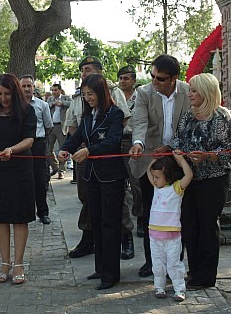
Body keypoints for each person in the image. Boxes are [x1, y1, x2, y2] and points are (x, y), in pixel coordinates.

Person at [58, 73, 128, 290]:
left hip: (111, 176)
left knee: (110, 224)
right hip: (92, 176)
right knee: (96, 222)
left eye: (91, 94)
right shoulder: (88, 116)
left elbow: (113, 141)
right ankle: (100, 268)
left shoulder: (115, 114)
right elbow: (77, 136)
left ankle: (111, 274)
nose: (88, 98)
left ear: (101, 92)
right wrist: (65, 149)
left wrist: (89, 151)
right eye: (85, 95)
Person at [170, 73, 231, 290]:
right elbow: (177, 139)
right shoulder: (188, 116)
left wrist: (208, 156)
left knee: (208, 227)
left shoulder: (221, 116)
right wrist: (178, 152)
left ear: (207, 92)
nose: (190, 94)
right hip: (190, 178)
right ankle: (194, 271)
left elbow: (229, 149)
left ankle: (206, 276)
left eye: (194, 91)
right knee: (190, 225)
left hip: (214, 180)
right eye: (190, 90)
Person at [128, 54, 191, 278]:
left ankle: (177, 263)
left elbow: (187, 127)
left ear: (174, 78)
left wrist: (172, 147)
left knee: (179, 215)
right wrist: (138, 143)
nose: (155, 81)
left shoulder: (187, 92)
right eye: (153, 76)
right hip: (150, 163)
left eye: (161, 79)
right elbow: (140, 122)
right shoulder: (144, 93)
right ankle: (151, 263)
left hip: (178, 162)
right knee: (150, 213)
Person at [64, 56, 132, 259]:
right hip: (86, 161)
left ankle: (124, 239)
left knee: (114, 209)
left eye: (89, 70)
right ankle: (92, 245)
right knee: (90, 202)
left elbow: (116, 133)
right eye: (82, 70)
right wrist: (67, 148)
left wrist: (91, 148)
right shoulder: (83, 106)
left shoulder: (114, 102)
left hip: (108, 163)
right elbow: (75, 131)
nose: (84, 73)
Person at [0, 73, 37, 285]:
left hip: (20, 168)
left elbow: (30, 139)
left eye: (8, 94)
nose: (3, 98)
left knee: (19, 216)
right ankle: (5, 261)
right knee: (0, 215)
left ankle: (19, 262)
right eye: (0, 94)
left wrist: (11, 150)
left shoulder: (27, 111)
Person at [147, 154, 193, 302]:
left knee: (174, 264)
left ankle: (179, 289)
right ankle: (159, 287)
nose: (154, 180)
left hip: (172, 237)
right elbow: (148, 170)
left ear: (167, 176)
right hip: (154, 235)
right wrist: (155, 159)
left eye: (157, 177)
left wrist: (181, 161)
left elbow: (189, 175)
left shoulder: (176, 188)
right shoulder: (156, 188)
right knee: (157, 263)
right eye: (154, 177)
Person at [118, 65, 144, 258]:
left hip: (135, 142)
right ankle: (126, 227)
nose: (123, 81)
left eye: (127, 78)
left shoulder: (140, 97)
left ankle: (141, 217)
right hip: (119, 142)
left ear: (134, 80)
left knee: (137, 184)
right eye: (121, 78)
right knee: (121, 186)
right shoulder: (116, 97)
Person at [20, 75, 53, 225]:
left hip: (38, 145)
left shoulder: (42, 105)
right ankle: (23, 213)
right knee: (21, 179)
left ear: (34, 87)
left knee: (40, 179)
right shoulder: (15, 106)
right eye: (24, 86)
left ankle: (43, 212)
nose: (27, 89)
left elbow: (49, 126)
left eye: (29, 86)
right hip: (19, 146)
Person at [47, 83, 71, 179]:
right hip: (51, 126)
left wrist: (62, 103)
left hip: (61, 126)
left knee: (62, 149)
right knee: (48, 149)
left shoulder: (65, 98)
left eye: (56, 90)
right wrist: (52, 104)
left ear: (60, 90)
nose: (54, 92)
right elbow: (46, 106)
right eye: (52, 90)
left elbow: (72, 104)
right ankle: (55, 166)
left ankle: (61, 170)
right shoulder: (50, 99)